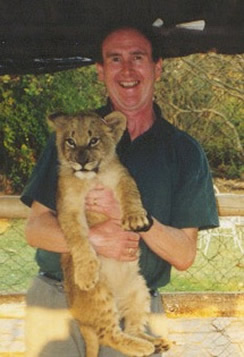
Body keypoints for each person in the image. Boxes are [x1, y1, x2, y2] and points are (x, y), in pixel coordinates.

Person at [21, 25, 219, 356]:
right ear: (101, 71)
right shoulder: (71, 135)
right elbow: (35, 229)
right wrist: (96, 238)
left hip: (130, 307)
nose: (126, 70)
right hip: (58, 300)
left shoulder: (185, 151)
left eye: (137, 57)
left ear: (157, 67)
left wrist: (129, 217)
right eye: (115, 59)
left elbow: (184, 255)